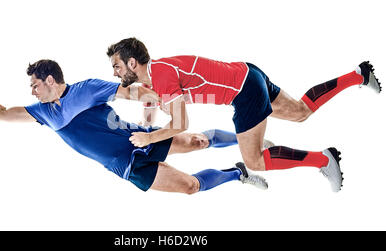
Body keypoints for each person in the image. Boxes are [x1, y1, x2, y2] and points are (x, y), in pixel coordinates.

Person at [106, 37, 382, 192]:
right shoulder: (153, 75)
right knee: (300, 112)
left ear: (132, 63)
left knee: (255, 161)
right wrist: (148, 120)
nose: (115, 73)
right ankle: (358, 76)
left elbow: (181, 123)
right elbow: (152, 99)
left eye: (117, 67)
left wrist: (149, 138)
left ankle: (324, 159)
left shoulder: (163, 75)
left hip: (243, 93)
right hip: (247, 73)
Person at [0, 59, 268, 194]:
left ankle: (251, 143)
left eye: (34, 85)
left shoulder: (85, 89)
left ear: (49, 80)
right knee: (190, 187)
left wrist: (153, 96)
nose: (32, 91)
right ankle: (237, 173)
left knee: (197, 141)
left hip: (138, 138)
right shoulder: (43, 112)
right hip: (125, 164)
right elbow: (3, 111)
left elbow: (128, 91)